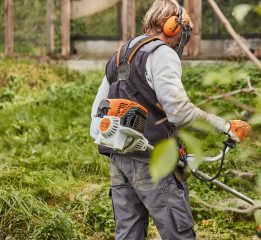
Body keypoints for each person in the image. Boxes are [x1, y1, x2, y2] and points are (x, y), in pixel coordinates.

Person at [89, 0, 251, 239]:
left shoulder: (119, 55)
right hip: (154, 161)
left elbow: (96, 113)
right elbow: (179, 111)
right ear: (172, 27)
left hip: (119, 160)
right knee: (179, 234)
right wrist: (225, 126)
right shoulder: (161, 53)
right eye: (184, 32)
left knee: (128, 234)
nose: (182, 40)